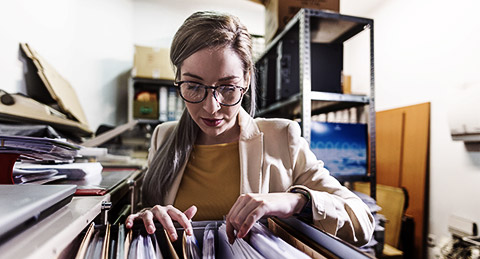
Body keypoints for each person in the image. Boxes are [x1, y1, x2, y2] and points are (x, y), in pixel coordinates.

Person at [125, 10, 374, 246]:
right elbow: (144, 212)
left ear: (246, 79)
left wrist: (296, 201)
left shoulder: (282, 138)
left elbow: (362, 222)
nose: (211, 108)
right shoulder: (163, 137)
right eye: (193, 86)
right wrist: (147, 216)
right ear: (177, 79)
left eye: (227, 87)